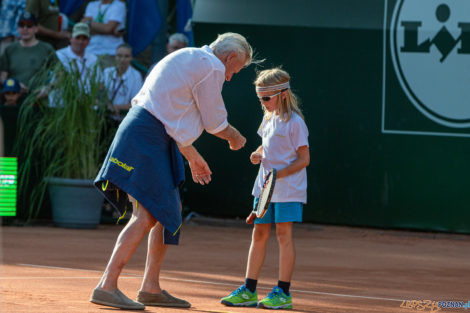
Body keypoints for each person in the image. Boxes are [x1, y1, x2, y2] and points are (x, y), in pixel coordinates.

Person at [90, 32, 253, 310]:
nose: (229, 78)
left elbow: (170, 114)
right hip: (146, 136)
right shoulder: (211, 65)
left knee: (167, 211)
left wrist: (191, 154)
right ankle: (107, 285)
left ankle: (150, 287)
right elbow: (214, 121)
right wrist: (236, 138)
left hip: (152, 134)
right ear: (230, 58)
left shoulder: (189, 56)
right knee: (146, 215)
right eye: (234, 71)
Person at [220, 68, 310, 310]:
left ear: (282, 94)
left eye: (266, 98)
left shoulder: (296, 123)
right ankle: (249, 290)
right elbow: (266, 145)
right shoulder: (268, 118)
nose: (263, 103)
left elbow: (304, 159)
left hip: (288, 189)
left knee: (283, 235)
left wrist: (280, 174)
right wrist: (257, 153)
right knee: (258, 234)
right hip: (264, 188)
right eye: (260, 98)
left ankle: (283, 293)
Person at [0, 12, 56, 92]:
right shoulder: (9, 49)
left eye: (29, 26)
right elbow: (2, 77)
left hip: (37, 99)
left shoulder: (46, 48)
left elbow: (60, 74)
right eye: (21, 25)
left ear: (36, 28)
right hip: (13, 99)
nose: (25, 29)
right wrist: (15, 85)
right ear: (17, 28)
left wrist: (48, 88)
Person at [103, 43, 143, 122]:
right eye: (119, 56)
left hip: (125, 119)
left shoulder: (136, 76)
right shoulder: (107, 72)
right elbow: (100, 95)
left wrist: (116, 107)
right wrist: (108, 105)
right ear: (115, 57)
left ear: (131, 58)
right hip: (105, 117)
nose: (122, 59)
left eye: (126, 56)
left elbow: (137, 103)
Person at [81, 0, 126, 68]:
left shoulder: (119, 5)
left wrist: (89, 22)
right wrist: (111, 31)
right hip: (90, 51)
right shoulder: (91, 4)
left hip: (110, 53)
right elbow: (84, 29)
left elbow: (108, 29)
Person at [0, 78, 23, 156]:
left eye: (14, 93)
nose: (10, 97)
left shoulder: (24, 110)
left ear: (19, 94)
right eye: (7, 93)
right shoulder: (1, 110)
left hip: (18, 149)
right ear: (3, 94)